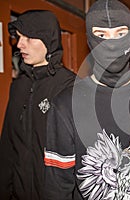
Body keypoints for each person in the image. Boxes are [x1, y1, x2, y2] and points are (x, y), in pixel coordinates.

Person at [44, 1, 130, 199]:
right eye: (101, 35)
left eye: (120, 33)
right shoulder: (65, 105)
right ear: (90, 40)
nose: (112, 43)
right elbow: (56, 189)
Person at [0, 10, 76, 199]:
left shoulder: (70, 86)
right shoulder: (19, 85)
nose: (20, 45)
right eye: (19, 37)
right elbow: (8, 147)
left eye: (29, 38)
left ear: (48, 41)